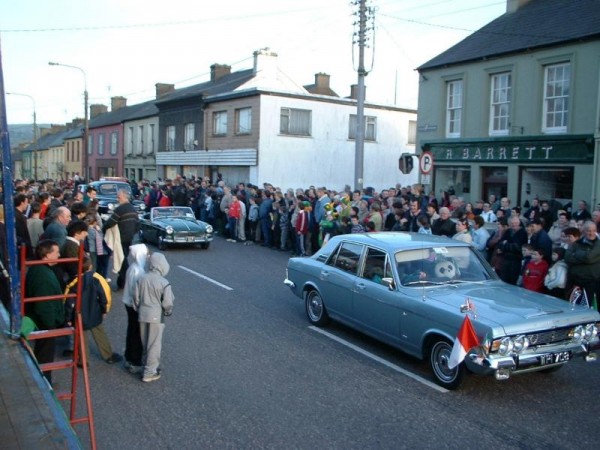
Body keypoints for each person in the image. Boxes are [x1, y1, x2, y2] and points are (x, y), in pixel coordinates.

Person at [64, 255, 122, 365]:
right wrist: (105, 310)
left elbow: (68, 301)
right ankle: (108, 355)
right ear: (90, 266)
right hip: (94, 313)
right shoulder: (97, 278)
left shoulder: (73, 282)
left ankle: (83, 360)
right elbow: (105, 296)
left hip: (78, 315)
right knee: (100, 334)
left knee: (81, 338)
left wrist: (67, 318)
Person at [24, 240, 64, 385]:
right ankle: (44, 383)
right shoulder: (43, 275)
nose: (59, 255)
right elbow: (44, 304)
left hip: (43, 320)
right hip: (45, 323)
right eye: (56, 252)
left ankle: (44, 380)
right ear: (46, 256)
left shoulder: (40, 269)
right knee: (45, 355)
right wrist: (51, 323)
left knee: (43, 353)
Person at [133, 252, 174, 383]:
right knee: (154, 344)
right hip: (156, 315)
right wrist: (168, 311)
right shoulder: (164, 282)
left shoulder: (141, 278)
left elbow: (136, 298)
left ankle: (145, 366)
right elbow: (168, 302)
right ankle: (150, 372)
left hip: (142, 314)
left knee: (145, 343)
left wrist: (138, 309)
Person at [102, 189, 140, 290]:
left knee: (121, 260)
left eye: (119, 196)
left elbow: (110, 222)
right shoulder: (133, 209)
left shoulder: (120, 209)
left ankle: (126, 281)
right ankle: (123, 281)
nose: (117, 198)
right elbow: (137, 224)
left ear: (124, 196)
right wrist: (132, 233)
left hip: (120, 239)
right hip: (129, 238)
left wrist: (103, 229)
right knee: (123, 259)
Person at [122, 243, 149, 374]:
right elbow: (136, 291)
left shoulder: (133, 267)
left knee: (132, 330)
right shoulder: (137, 270)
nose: (147, 256)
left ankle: (129, 356)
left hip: (129, 303)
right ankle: (134, 359)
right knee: (136, 332)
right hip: (133, 305)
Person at [564, 221, 600, 307]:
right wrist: (584, 257)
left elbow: (589, 258)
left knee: (588, 307)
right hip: (575, 281)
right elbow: (567, 257)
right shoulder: (576, 243)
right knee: (572, 306)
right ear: (583, 231)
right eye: (588, 230)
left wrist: (576, 254)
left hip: (591, 282)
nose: (591, 233)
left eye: (593, 230)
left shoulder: (598, 244)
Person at [496, 216, 528, 285]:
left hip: (516, 261)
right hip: (506, 260)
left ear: (519, 223)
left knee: (512, 281)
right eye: (512, 223)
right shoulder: (508, 231)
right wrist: (507, 245)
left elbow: (517, 247)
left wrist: (506, 245)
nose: (513, 225)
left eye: (515, 223)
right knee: (503, 279)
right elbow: (500, 244)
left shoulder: (523, 233)